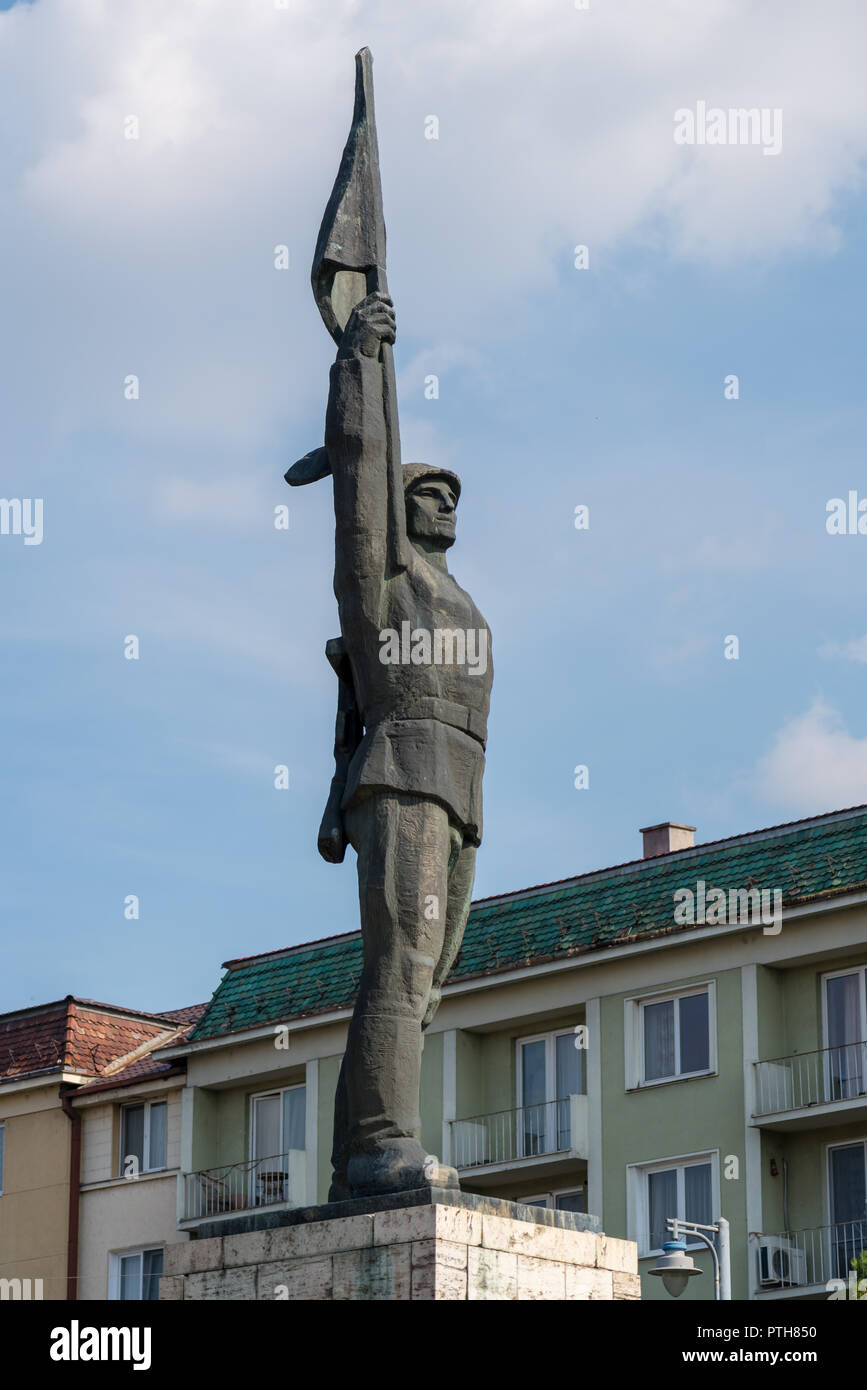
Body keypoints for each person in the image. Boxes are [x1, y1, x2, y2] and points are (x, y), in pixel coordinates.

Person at [323, 290, 493, 1199]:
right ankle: (386, 1140)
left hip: (460, 791)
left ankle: (359, 1151)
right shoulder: (383, 581)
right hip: (403, 773)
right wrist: (359, 363)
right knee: (401, 961)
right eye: (427, 490)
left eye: (453, 493)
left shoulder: (456, 595)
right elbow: (359, 471)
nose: (447, 501)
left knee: (424, 981)